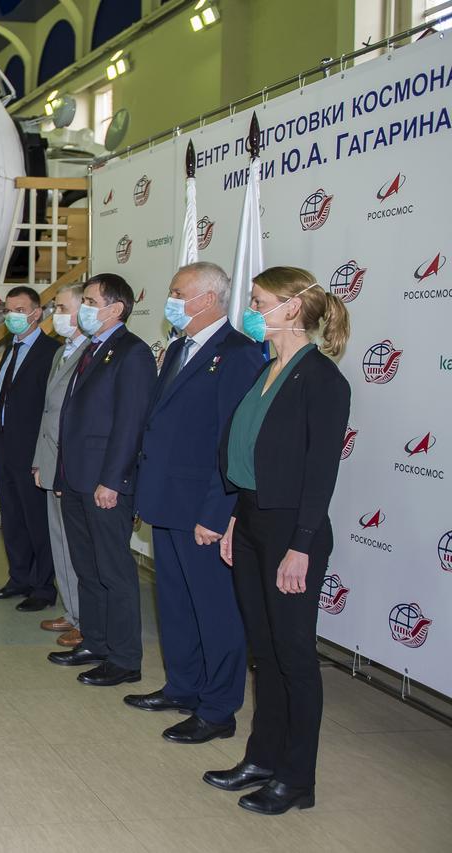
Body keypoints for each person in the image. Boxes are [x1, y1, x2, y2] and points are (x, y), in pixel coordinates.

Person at [207, 266, 351, 815]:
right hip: (253, 520)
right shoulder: (267, 369)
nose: (252, 307)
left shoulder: (321, 380)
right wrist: (237, 520)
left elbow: (320, 474)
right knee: (263, 654)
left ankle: (297, 777)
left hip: (294, 530)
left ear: (291, 307)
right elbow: (248, 455)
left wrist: (302, 545)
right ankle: (262, 756)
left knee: (293, 657)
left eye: (259, 300)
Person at [125, 262, 264, 744]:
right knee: (176, 605)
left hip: (202, 509)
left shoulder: (239, 355)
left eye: (178, 292)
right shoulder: (181, 348)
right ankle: (182, 687)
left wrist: (217, 511)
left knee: (215, 610)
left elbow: (232, 442)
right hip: (166, 501)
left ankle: (218, 708)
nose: (172, 300)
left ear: (207, 299)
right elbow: (159, 427)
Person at [47, 273, 156, 687]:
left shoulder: (132, 354)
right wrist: (61, 475)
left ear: (116, 309)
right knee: (87, 568)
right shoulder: (92, 350)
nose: (85, 309)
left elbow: (130, 425)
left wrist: (113, 481)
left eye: (91, 302)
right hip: (75, 480)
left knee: (114, 571)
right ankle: (94, 640)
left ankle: (125, 659)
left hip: (104, 485)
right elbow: (71, 420)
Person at [0, 287, 59, 609]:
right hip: (6, 447)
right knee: (12, 519)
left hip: (32, 452)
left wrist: (44, 456)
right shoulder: (10, 350)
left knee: (36, 522)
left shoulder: (51, 352)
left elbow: (51, 408)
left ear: (37, 312)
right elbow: (0, 401)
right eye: (9, 309)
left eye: (20, 309)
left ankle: (42, 587)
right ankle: (19, 578)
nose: (13, 315)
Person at [31, 283, 88, 648]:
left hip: (72, 466)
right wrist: (39, 460)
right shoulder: (62, 353)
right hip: (51, 461)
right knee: (59, 543)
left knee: (76, 546)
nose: (57, 314)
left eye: (63, 307)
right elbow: (47, 414)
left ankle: (86, 618)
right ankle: (71, 611)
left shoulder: (90, 353)